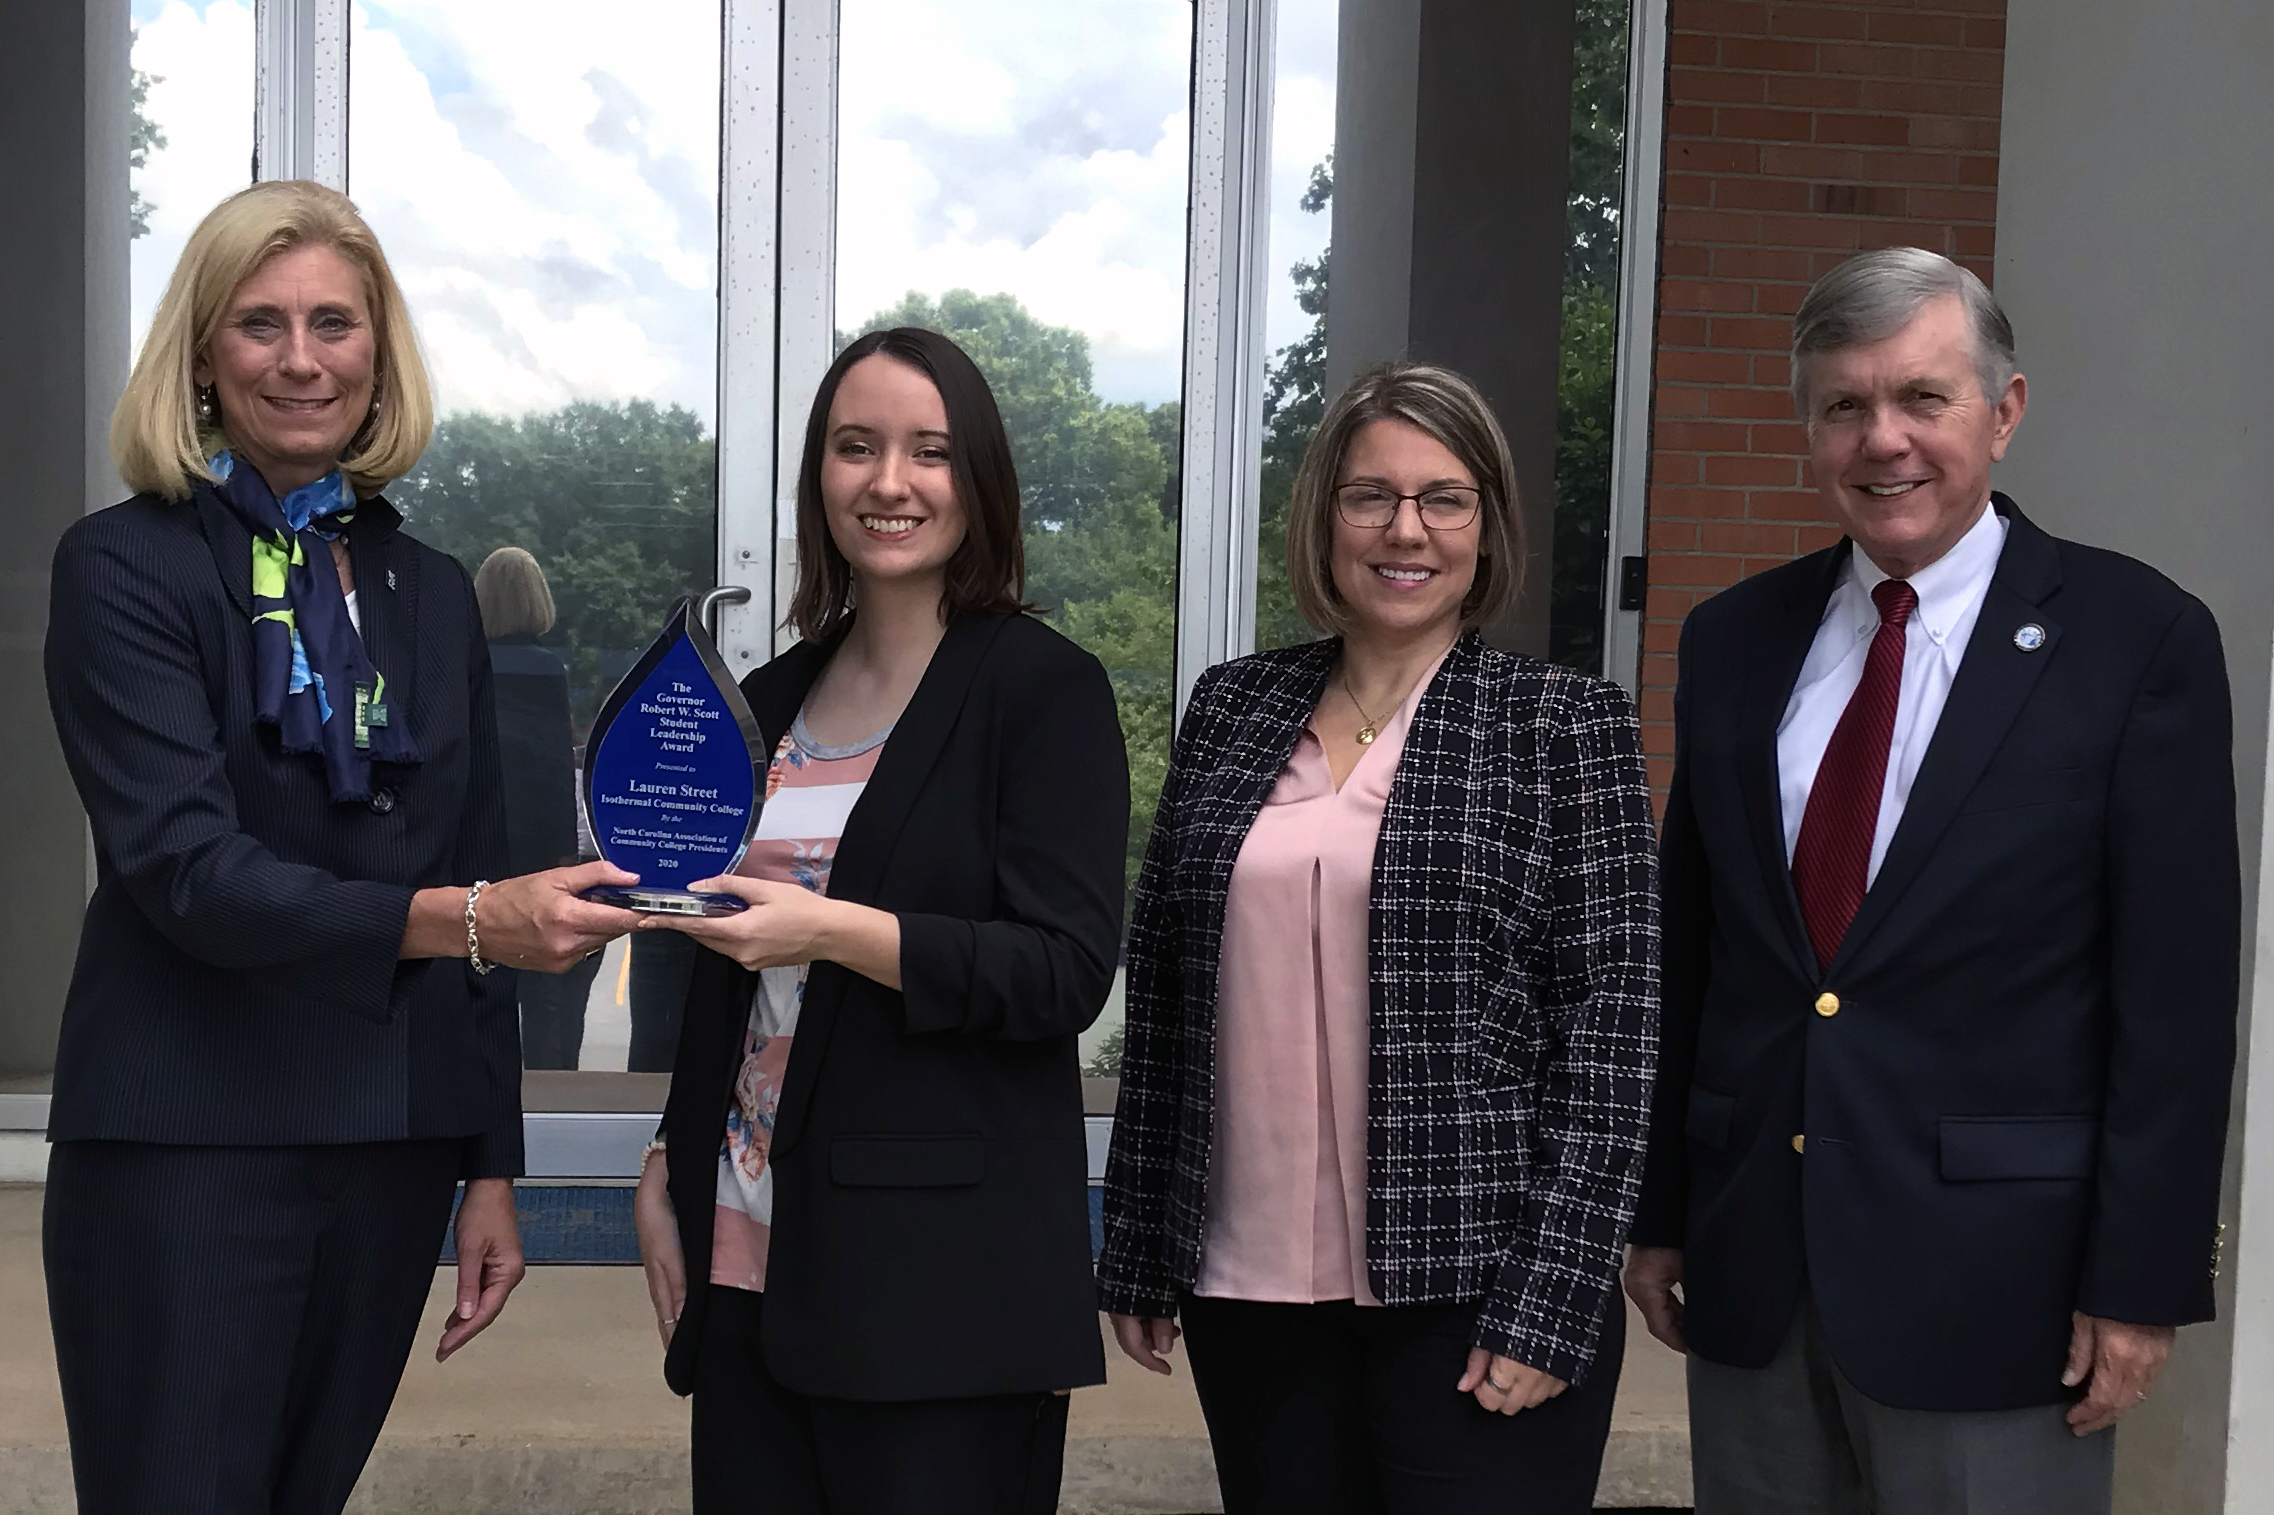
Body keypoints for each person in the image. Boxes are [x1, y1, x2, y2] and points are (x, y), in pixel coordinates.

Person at [41, 180, 643, 1515]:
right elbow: (188, 869)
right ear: (200, 355)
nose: (300, 357)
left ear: (380, 351)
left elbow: (478, 851)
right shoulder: (122, 568)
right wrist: (457, 920)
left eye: (332, 321)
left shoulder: (429, 590)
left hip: (390, 1144)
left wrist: (492, 1160)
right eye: (258, 323)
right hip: (184, 1149)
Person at [1624, 246, 2240, 1515]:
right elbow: (1700, 953)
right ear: (1809, 427)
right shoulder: (1736, 638)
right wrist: (1663, 1206)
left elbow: (2174, 1002)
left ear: (2005, 413)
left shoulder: (2137, 641)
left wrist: (2143, 1278)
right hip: (1758, 1261)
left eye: (1923, 399)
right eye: (1844, 405)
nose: (1882, 440)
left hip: (2002, 1288)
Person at [1097, 362, 1661, 1515]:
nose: (1406, 530)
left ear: (1486, 525)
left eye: (1444, 498)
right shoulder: (1231, 706)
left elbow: (1613, 1035)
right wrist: (1140, 1243)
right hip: (1244, 1282)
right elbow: (1162, 998)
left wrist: (1555, 1292)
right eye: (1371, 496)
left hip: (1474, 1279)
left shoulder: (1562, 724)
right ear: (1325, 518)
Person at [630, 326, 1130, 1514]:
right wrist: (668, 1151)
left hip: (937, 1291)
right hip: (749, 1251)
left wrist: (829, 930)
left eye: (929, 451)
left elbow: (1063, 971)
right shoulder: (768, 699)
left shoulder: (1042, 691)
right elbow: (721, 971)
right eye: (855, 448)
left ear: (980, 481)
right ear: (820, 478)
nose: (888, 482)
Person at [474, 545, 600, 1070]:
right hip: (538, 851)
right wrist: (563, 857)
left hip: (478, 852)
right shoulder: (547, 671)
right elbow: (550, 774)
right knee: (551, 1017)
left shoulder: (465, 666)